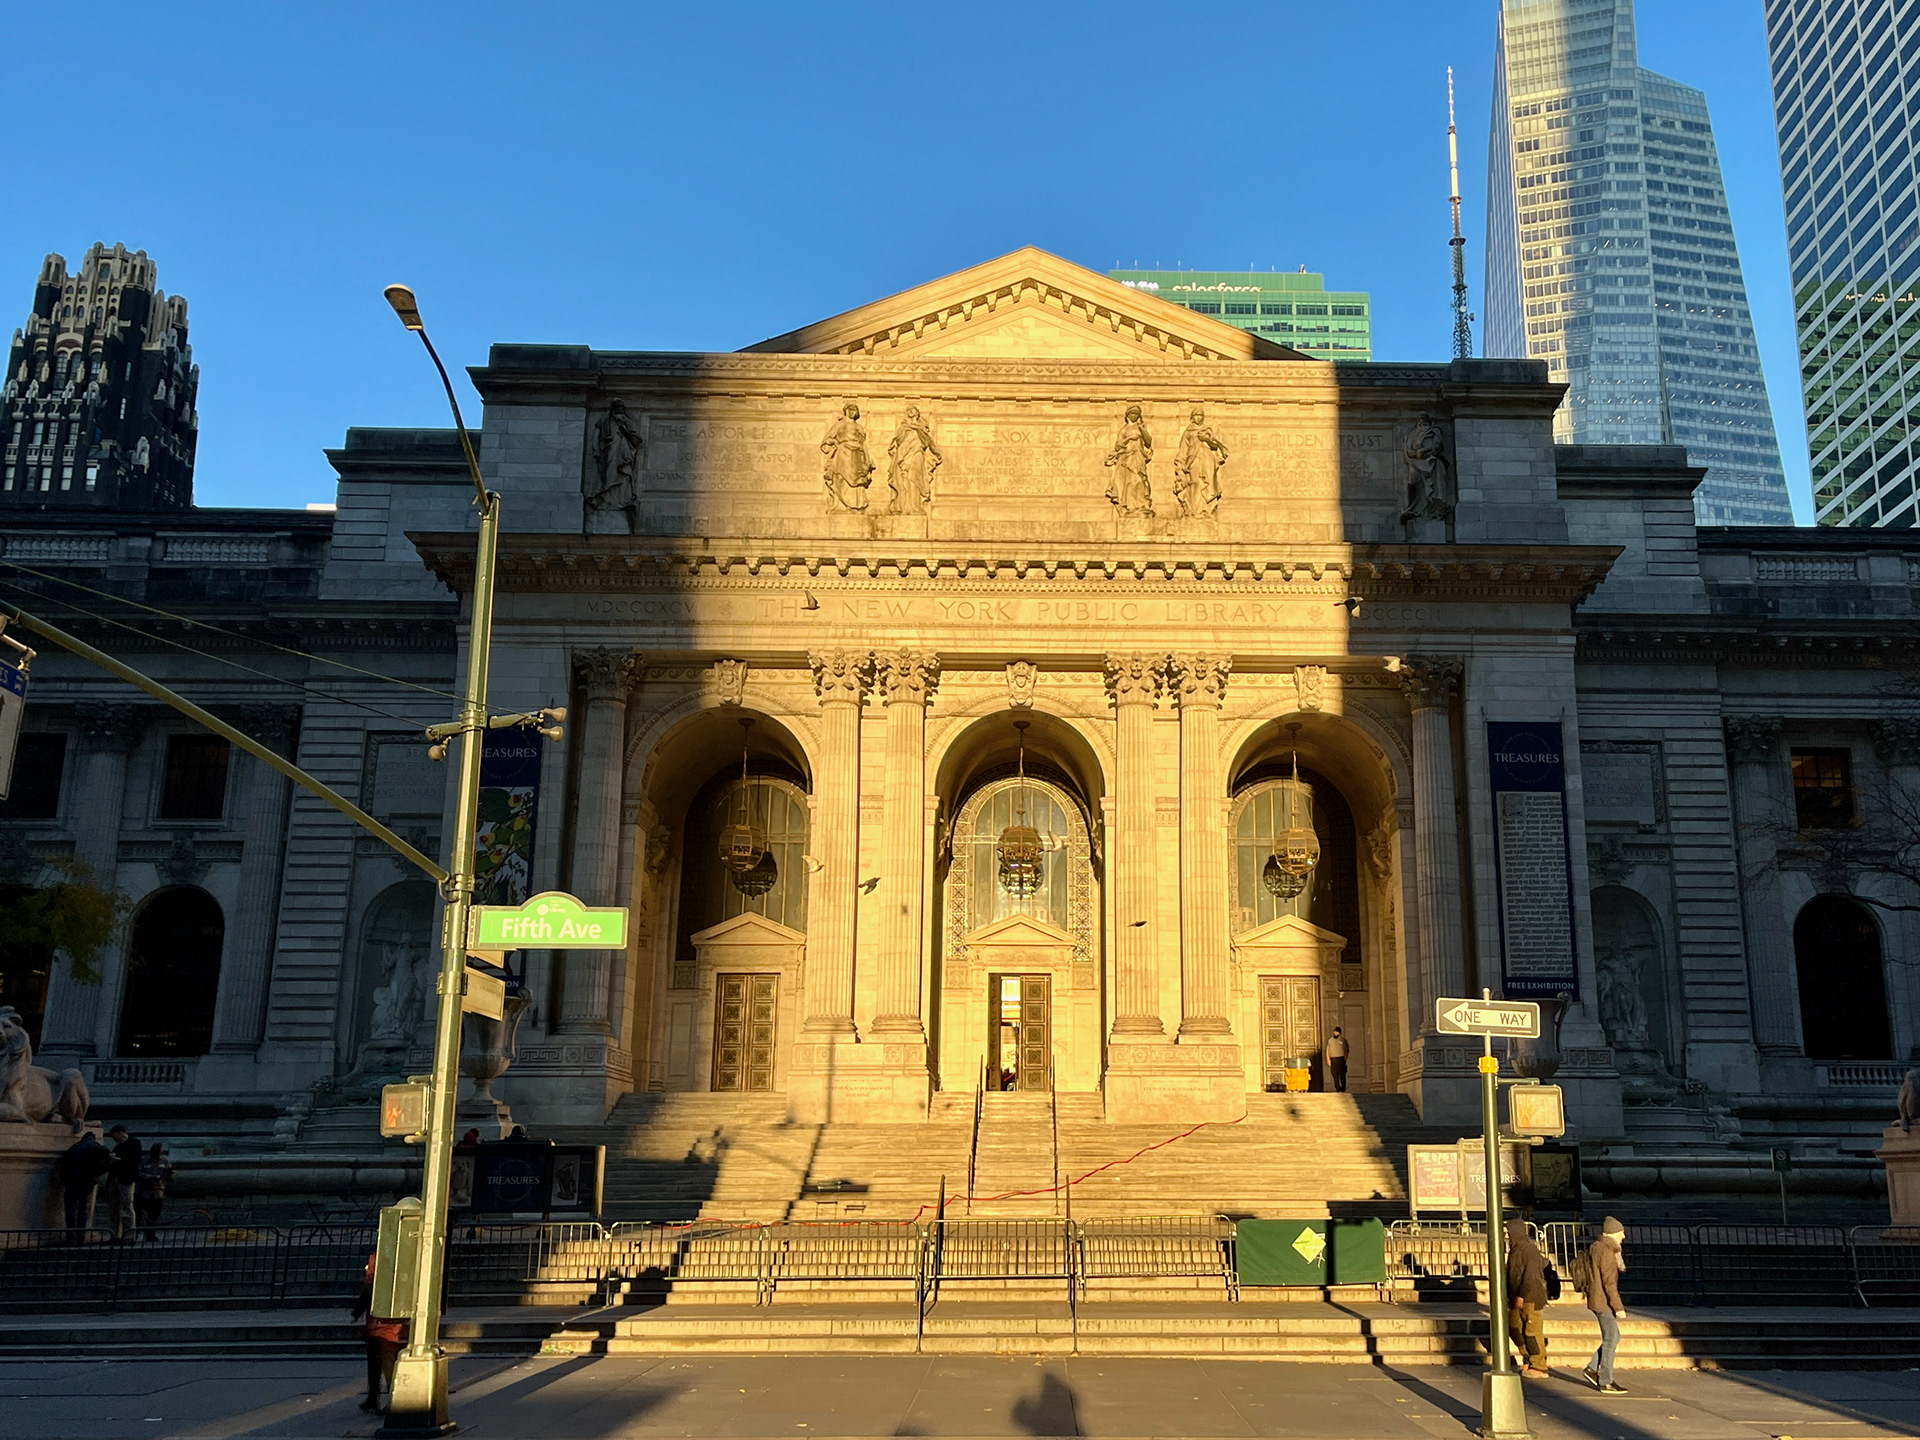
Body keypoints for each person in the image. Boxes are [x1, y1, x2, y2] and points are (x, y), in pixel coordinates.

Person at [349, 1252, 407, 1413]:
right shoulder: (400, 1256)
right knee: (383, 1360)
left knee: (382, 1362)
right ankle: (375, 1397)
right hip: (392, 1320)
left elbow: (369, 1286)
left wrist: (357, 1311)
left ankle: (384, 1398)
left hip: (380, 1322)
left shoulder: (377, 1257)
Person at [1582, 1216, 1629, 1393]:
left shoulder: (1597, 1247)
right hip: (1603, 1302)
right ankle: (1605, 1380)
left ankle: (1592, 1368)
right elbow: (1609, 1283)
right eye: (1621, 1232)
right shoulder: (1608, 1252)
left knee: (1614, 1336)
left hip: (1597, 1299)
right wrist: (1618, 1307)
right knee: (1611, 1339)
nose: (1624, 1235)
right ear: (1613, 1233)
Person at [1503, 1218, 1550, 1378]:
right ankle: (1528, 1357)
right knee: (1515, 1328)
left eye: (1508, 1232)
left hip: (1531, 1297)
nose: (1506, 1236)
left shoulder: (1529, 1250)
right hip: (1516, 1296)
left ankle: (1539, 1365)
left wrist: (1522, 1295)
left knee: (1532, 1331)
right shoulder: (1515, 1250)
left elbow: (1531, 1276)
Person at [54, 1130, 111, 1240]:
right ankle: (82, 1235)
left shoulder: (76, 1147)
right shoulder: (97, 1148)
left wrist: (64, 1179)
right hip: (87, 1182)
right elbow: (104, 1166)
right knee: (83, 1209)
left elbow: (64, 1162)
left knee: (70, 1208)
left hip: (73, 1181)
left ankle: (70, 1235)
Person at [104, 1124, 141, 1241]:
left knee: (126, 1206)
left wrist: (118, 1160)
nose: (114, 1139)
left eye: (114, 1135)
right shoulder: (118, 1147)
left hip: (125, 1179)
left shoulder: (134, 1143)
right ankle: (116, 1234)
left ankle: (129, 1234)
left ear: (121, 1132)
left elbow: (135, 1160)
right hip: (116, 1178)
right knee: (114, 1209)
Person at [134, 1143, 173, 1241]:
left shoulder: (165, 1161)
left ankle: (150, 1234)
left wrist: (168, 1175)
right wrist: (151, 1177)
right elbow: (139, 1173)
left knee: (154, 1215)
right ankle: (135, 1234)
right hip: (143, 1192)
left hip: (157, 1192)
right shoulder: (144, 1160)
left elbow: (168, 1174)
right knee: (138, 1215)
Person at [1326, 1028, 1350, 1093]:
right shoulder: (1330, 1040)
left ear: (1339, 1033)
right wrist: (1328, 1059)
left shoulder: (1343, 1040)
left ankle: (1343, 1088)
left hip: (1341, 1059)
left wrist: (1345, 1058)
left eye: (1337, 1032)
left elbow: (1347, 1050)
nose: (1335, 1033)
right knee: (1334, 1074)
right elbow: (1328, 1050)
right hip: (1333, 1059)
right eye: (1335, 1032)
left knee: (1342, 1074)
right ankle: (1337, 1087)